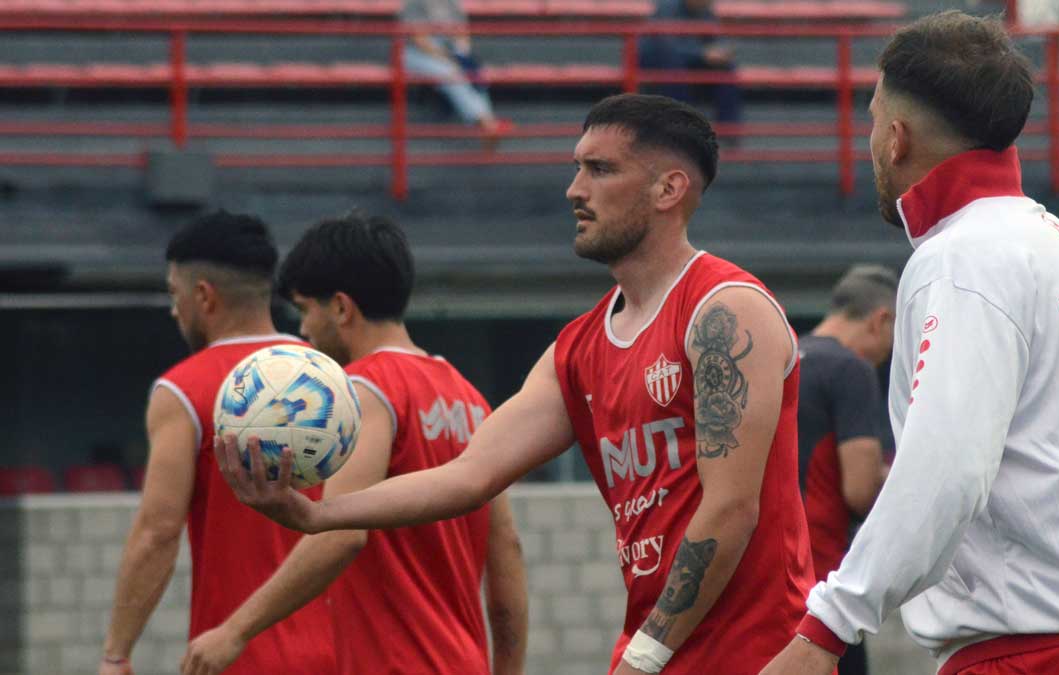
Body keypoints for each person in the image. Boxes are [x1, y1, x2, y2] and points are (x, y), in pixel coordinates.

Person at [219, 93, 815, 675]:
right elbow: (468, 475)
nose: (574, 190)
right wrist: (317, 513)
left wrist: (646, 655)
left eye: (600, 170)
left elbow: (732, 507)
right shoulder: (579, 348)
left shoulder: (724, 311)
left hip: (755, 656)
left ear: (669, 190)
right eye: (577, 168)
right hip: (655, 650)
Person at [760, 11, 1059, 675]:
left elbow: (947, 464)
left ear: (898, 138)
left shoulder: (959, 259)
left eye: (874, 119)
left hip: (1023, 659)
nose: (870, 139)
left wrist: (827, 628)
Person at [179, 213, 528, 675]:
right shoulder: (470, 400)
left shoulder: (363, 390)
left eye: (306, 310)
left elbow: (342, 535)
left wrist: (235, 631)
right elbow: (507, 555)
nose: (304, 331)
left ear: (342, 308)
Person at [99, 212, 334, 675]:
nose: (174, 311)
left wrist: (116, 653)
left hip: (237, 655)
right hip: (339, 652)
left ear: (204, 296)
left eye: (175, 295)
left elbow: (158, 532)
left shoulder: (183, 391)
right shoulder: (329, 378)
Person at [796, 264, 896, 675]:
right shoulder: (850, 369)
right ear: (880, 320)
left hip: (770, 583)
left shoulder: (784, 359)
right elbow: (860, 491)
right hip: (823, 590)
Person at [404, 0, 509, 142]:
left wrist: (462, 56)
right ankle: (487, 124)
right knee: (450, 73)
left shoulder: (451, 3)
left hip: (447, 50)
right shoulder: (414, 3)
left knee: (474, 71)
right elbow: (420, 41)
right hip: (415, 54)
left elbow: (462, 33)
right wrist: (450, 59)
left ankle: (487, 122)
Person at [639, 0, 743, 128]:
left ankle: (729, 129)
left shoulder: (705, 12)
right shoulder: (667, 8)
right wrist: (702, 53)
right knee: (674, 64)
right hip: (660, 65)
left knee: (726, 68)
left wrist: (722, 51)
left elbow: (718, 38)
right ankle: (680, 125)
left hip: (691, 63)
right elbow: (666, 46)